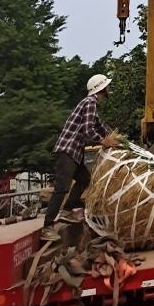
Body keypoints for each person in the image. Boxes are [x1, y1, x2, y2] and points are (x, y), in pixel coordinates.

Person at [41, 74, 112, 238]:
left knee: (85, 179)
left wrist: (117, 138)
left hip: (74, 153)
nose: (109, 89)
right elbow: (88, 131)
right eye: (107, 86)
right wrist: (104, 142)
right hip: (67, 151)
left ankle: (66, 211)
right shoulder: (90, 102)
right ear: (101, 88)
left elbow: (100, 126)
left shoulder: (91, 105)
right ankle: (47, 227)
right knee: (61, 188)